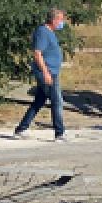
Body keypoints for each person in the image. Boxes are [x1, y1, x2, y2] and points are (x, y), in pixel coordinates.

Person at [14, 8, 68, 141]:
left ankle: (21, 129)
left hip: (51, 72)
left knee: (39, 101)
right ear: (53, 20)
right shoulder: (43, 32)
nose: (62, 22)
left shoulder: (50, 33)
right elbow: (37, 54)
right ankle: (59, 132)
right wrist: (45, 73)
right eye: (61, 19)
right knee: (57, 101)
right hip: (47, 72)